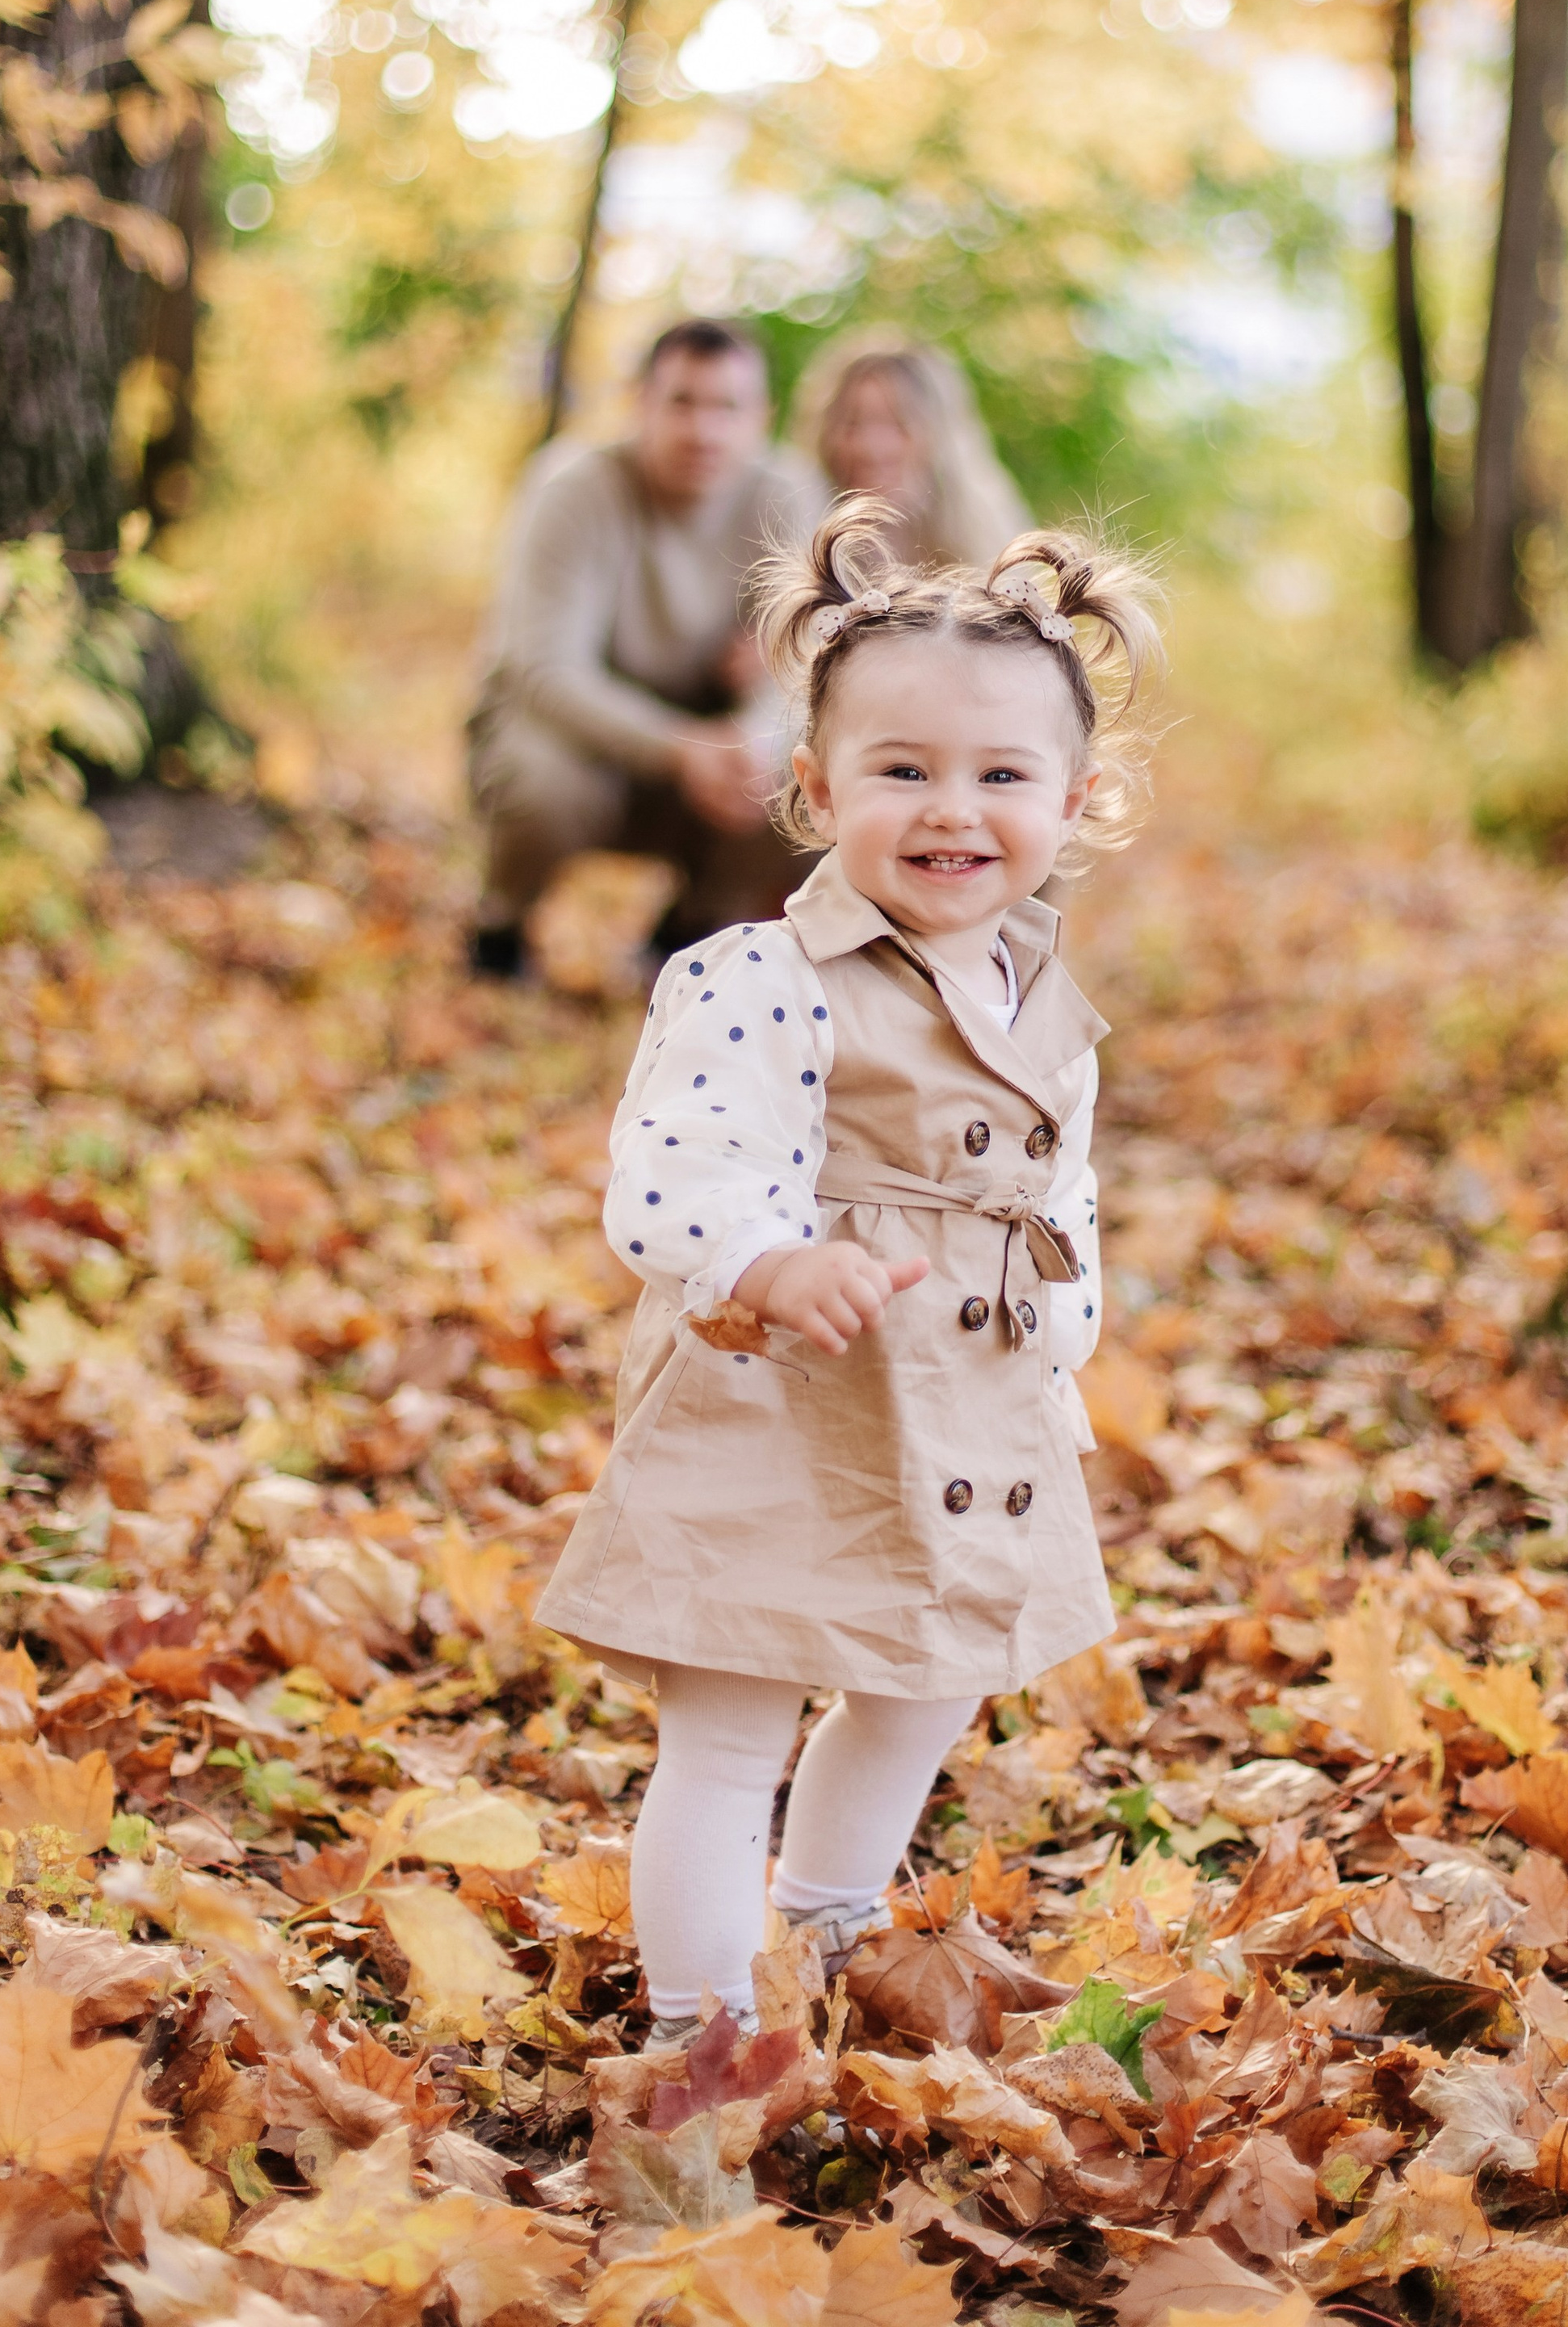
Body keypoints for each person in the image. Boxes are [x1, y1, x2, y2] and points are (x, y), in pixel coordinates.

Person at [536, 496, 1160, 2038]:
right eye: (902, 771)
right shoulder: (762, 980)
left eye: (1001, 775)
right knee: (732, 1726)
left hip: (965, 1409)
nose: (954, 809)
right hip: (782, 1398)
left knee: (928, 1684)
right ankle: (701, 2024)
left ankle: (826, 1913)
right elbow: (674, 1167)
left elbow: (1058, 1190)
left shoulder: (1039, 993)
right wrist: (769, 1255)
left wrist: (1061, 1340)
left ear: (1077, 799)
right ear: (817, 789)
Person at [466, 319, 824, 977]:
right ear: (639, 403)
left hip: (713, 739)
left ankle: (695, 931)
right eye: (682, 402)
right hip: (580, 740)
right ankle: (503, 925)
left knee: (809, 784)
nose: (703, 430)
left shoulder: (788, 494)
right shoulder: (574, 488)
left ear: (762, 418)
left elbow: (801, 664)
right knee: (542, 787)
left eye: (728, 408)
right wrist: (681, 748)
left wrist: (749, 742)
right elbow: (544, 671)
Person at [794, 333, 1029, 573]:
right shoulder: (799, 536)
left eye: (897, 423)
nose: (871, 447)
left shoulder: (990, 543)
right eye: (852, 423)